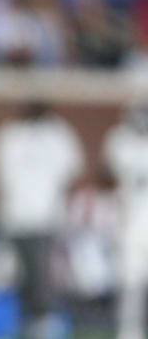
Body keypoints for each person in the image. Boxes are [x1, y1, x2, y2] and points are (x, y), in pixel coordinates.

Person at [0, 102, 84, 339]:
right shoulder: (11, 134)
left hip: (45, 218)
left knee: (43, 276)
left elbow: (72, 172)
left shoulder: (57, 134)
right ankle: (24, 324)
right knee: (18, 275)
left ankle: (43, 324)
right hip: (16, 217)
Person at [103, 100, 148, 339]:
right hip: (131, 220)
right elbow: (108, 173)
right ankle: (130, 332)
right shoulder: (120, 140)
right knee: (131, 280)